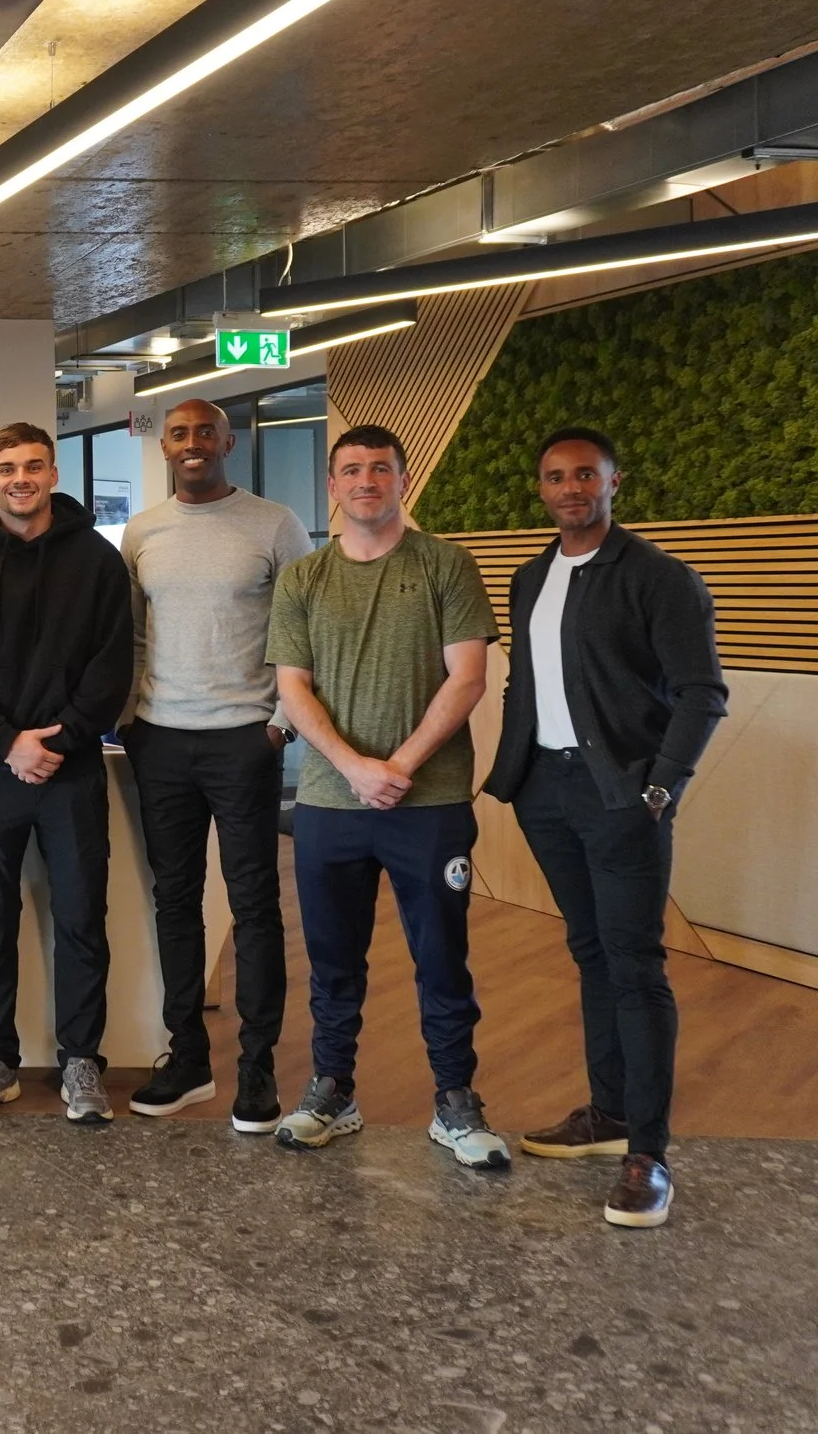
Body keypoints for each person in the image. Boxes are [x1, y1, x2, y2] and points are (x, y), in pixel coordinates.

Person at [483, 427, 725, 1228]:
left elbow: (702, 692)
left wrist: (659, 785)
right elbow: (529, 680)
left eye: (586, 474)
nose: (571, 488)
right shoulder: (530, 576)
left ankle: (648, 1154)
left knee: (634, 965)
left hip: (622, 797)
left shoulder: (659, 576)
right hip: (544, 793)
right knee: (591, 951)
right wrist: (516, 766)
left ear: (614, 481)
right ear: (541, 488)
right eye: (556, 476)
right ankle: (610, 1110)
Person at [268, 423, 509, 1168]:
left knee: (442, 958)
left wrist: (397, 765)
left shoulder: (446, 564)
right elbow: (293, 689)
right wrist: (353, 767)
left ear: (402, 479)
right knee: (332, 960)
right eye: (351, 470)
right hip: (328, 804)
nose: (366, 480)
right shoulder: (303, 578)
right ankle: (332, 1091)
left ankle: (455, 1100)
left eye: (380, 468)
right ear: (333, 487)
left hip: (428, 803)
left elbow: (468, 677)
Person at [0, 422, 134, 1125]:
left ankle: (82, 1061)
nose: (22, 478)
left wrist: (58, 742)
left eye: (34, 466)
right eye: (9, 467)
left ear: (53, 474)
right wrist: (8, 743)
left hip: (71, 773)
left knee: (80, 916)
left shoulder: (98, 563)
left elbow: (112, 667)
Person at [118, 399, 311, 1132]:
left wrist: (280, 725)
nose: (192, 442)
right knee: (175, 901)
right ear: (164, 446)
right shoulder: (143, 531)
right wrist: (131, 719)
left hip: (244, 741)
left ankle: (257, 1067)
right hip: (161, 740)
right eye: (179, 433)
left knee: (254, 904)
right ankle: (189, 1057)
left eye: (206, 431)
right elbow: (134, 634)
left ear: (229, 441)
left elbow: (304, 630)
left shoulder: (274, 524)